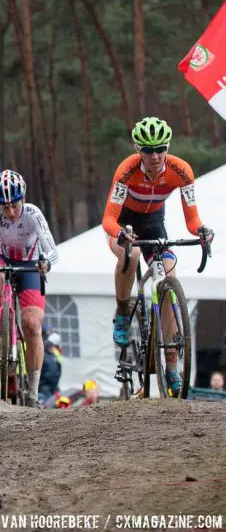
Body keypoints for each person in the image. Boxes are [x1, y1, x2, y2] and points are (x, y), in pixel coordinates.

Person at [102, 117, 213, 397]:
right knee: (133, 253)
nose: (155, 156)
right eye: (148, 151)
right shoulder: (126, 171)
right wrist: (121, 235)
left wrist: (201, 230)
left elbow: (192, 218)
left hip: (154, 221)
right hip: (124, 223)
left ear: (167, 147)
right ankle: (122, 314)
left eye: (160, 149)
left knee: (168, 277)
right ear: (139, 151)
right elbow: (108, 219)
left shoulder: (181, 170)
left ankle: (172, 367)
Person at [0, 170, 58, 408]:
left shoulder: (33, 214)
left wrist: (46, 262)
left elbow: (52, 248)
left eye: (14, 206)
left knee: (32, 325)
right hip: (4, 257)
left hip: (30, 263)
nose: (9, 212)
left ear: (23, 199)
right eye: (3, 207)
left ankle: (33, 391)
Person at [38, 324, 62, 403]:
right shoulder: (41, 352)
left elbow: (58, 368)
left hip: (53, 386)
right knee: (45, 404)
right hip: (44, 387)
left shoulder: (54, 354)